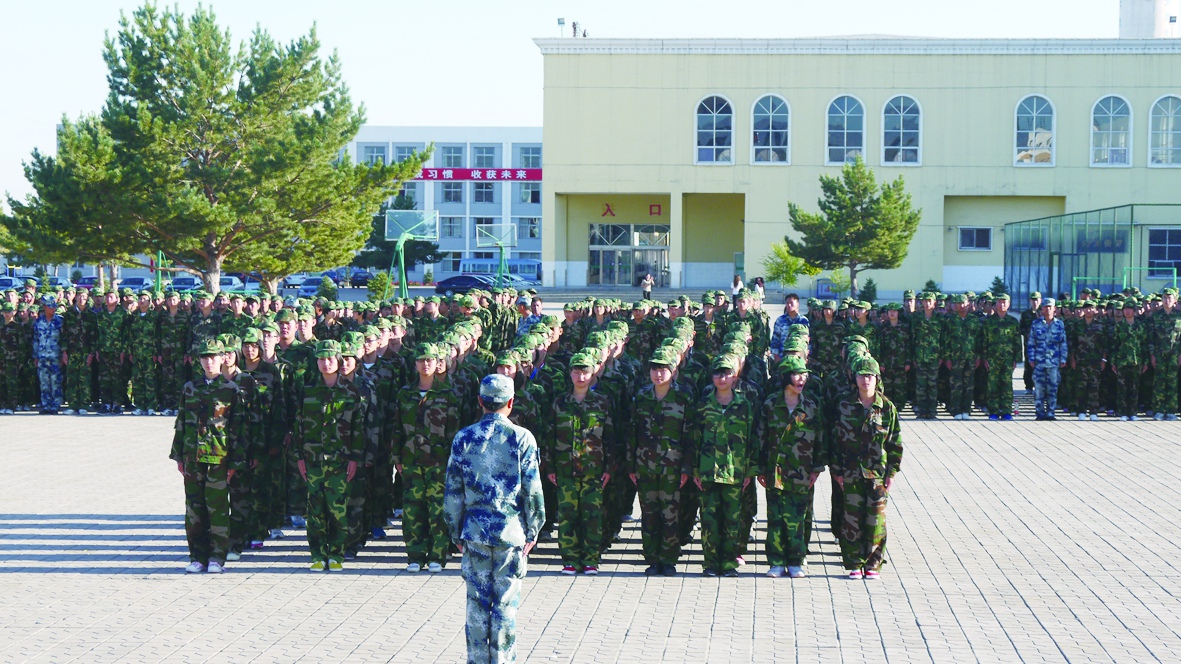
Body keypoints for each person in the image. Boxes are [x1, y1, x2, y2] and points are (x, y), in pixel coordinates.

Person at [444, 374, 546, 664]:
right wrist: (534, 529)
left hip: (474, 532)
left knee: (476, 605)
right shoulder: (522, 438)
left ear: (480, 402)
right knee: (505, 606)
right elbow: (533, 490)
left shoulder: (464, 437)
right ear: (511, 403)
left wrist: (455, 531)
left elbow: (452, 492)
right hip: (510, 533)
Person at [170, 339, 243, 574]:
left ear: (223, 359)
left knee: (218, 509)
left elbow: (239, 429)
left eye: (214, 357)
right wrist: (178, 455)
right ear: (199, 360)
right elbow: (181, 423)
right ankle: (197, 557)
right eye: (205, 357)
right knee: (194, 510)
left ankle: (217, 557)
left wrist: (235, 461)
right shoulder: (190, 388)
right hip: (193, 457)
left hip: (219, 459)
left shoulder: (231, 390)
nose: (209, 361)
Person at [295, 340, 365, 571]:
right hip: (313, 459)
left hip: (340, 460)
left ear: (339, 361)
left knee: (337, 510)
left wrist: (355, 457)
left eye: (330, 359)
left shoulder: (351, 392)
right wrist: (299, 457)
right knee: (314, 510)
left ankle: (336, 554)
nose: (326, 363)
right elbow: (298, 427)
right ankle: (317, 554)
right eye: (322, 359)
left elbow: (358, 428)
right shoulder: (307, 390)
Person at [829, 357, 902, 579]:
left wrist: (892, 472)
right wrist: (837, 471)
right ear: (855, 378)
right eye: (861, 375)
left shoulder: (886, 407)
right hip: (850, 472)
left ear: (877, 379)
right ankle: (853, 562)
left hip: (877, 474)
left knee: (876, 520)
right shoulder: (844, 405)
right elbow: (835, 441)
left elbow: (894, 443)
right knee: (851, 519)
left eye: (870, 376)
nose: (865, 380)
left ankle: (873, 564)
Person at [687, 353, 757, 578]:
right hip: (708, 471)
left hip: (735, 472)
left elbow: (752, 439)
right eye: (717, 373)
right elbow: (694, 439)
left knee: (732, 520)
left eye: (726, 373)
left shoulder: (743, 405)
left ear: (735, 377)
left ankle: (728, 563)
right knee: (709, 520)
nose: (722, 377)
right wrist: (694, 469)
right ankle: (710, 564)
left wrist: (750, 470)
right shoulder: (703, 406)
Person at [757, 356, 825, 579]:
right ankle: (776, 561)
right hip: (774, 471)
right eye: (796, 375)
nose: (801, 379)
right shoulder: (770, 405)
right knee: (775, 517)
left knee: (797, 517)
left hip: (801, 471)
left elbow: (820, 440)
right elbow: (760, 439)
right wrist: (758, 468)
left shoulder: (811, 407)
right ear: (785, 377)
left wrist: (816, 468)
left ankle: (795, 561)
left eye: (804, 375)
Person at [628, 347, 693, 576]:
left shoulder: (683, 397)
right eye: (655, 369)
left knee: (670, 515)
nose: (658, 374)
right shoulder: (642, 396)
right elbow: (632, 433)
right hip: (645, 465)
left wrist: (687, 467)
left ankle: (668, 560)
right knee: (649, 514)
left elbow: (689, 436)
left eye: (663, 369)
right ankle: (652, 558)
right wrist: (631, 465)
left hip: (672, 468)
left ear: (673, 370)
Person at [1027, 298, 1068, 421]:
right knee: (1039, 389)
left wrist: (1063, 358)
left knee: (1053, 388)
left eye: (1050, 307)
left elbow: (1063, 343)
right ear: (1042, 309)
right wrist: (1031, 357)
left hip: (1054, 362)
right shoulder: (1036, 324)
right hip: (1039, 362)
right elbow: (1031, 342)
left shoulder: (1059, 324)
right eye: (1045, 307)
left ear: (1055, 309)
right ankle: (1040, 412)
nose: (1047, 309)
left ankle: (1051, 412)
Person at [32, 294, 65, 414]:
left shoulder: (60, 321)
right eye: (50, 307)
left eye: (54, 307)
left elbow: (64, 339)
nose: (53, 309)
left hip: (56, 356)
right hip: (42, 356)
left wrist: (63, 355)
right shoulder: (38, 322)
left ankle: (56, 405)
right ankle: (46, 405)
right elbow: (36, 339)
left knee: (56, 381)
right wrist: (35, 355)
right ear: (45, 307)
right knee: (44, 381)